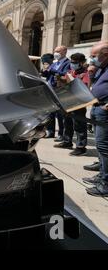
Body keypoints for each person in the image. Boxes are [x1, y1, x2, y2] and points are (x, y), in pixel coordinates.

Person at [82, 42, 108, 197]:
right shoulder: (102, 69)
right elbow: (94, 86)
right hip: (97, 107)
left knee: (105, 147)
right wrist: (91, 74)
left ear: (105, 55)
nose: (92, 59)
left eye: (94, 56)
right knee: (100, 145)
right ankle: (101, 175)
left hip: (105, 110)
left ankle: (105, 183)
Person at [54, 53, 89, 155]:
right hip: (68, 101)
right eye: (72, 62)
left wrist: (74, 81)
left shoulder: (85, 73)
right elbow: (65, 81)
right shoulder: (71, 71)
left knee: (79, 125)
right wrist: (60, 79)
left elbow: (85, 87)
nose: (72, 64)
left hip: (79, 102)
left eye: (75, 62)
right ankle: (67, 141)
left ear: (82, 63)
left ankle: (81, 147)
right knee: (67, 122)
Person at [42, 46, 71, 141]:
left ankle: (61, 133)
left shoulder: (68, 63)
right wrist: (45, 70)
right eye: (55, 51)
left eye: (58, 51)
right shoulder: (54, 63)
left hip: (60, 90)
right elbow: (47, 74)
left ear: (65, 52)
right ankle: (50, 131)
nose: (55, 53)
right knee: (51, 112)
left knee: (60, 114)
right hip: (51, 90)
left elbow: (64, 74)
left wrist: (51, 70)